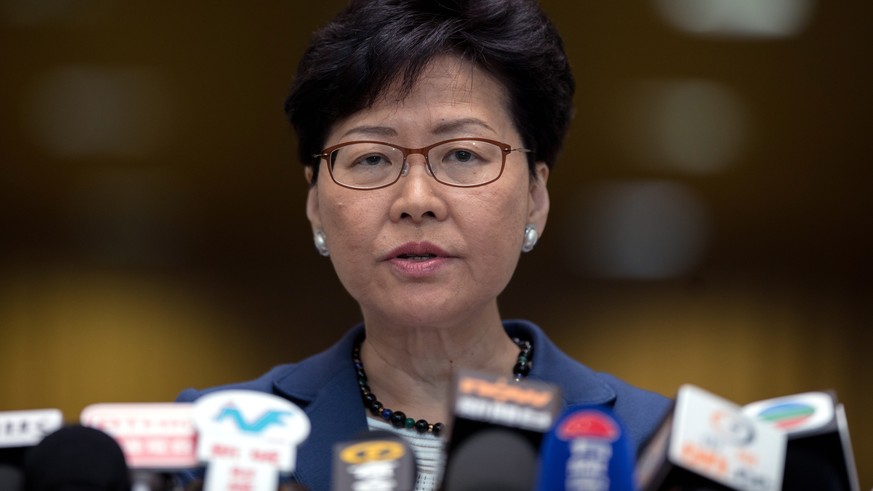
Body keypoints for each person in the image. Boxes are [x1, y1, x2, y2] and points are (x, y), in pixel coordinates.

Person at [177, 0, 671, 489]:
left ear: (535, 199)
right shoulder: (208, 443)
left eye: (461, 153)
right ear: (315, 207)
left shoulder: (652, 443)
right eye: (370, 158)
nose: (416, 201)